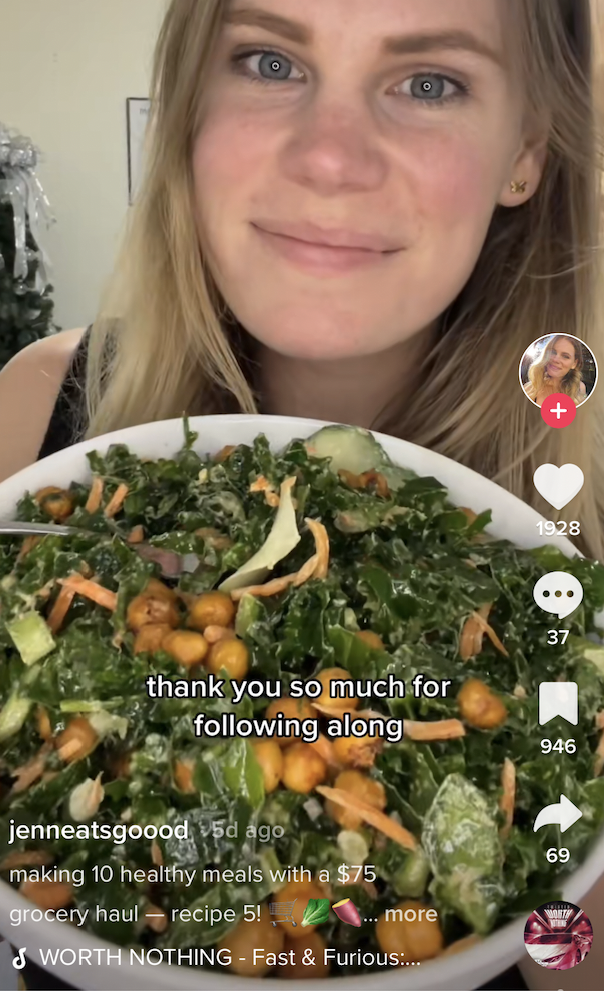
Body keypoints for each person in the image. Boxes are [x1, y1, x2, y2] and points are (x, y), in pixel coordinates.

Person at [0, 2, 603, 990]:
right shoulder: (33, 414)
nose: (330, 158)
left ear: (526, 152)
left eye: (429, 81)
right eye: (269, 61)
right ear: (190, 103)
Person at [523, 334, 588, 406]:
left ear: (574, 364)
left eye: (565, 356)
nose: (555, 359)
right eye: (553, 352)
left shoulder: (579, 388)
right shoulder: (529, 389)